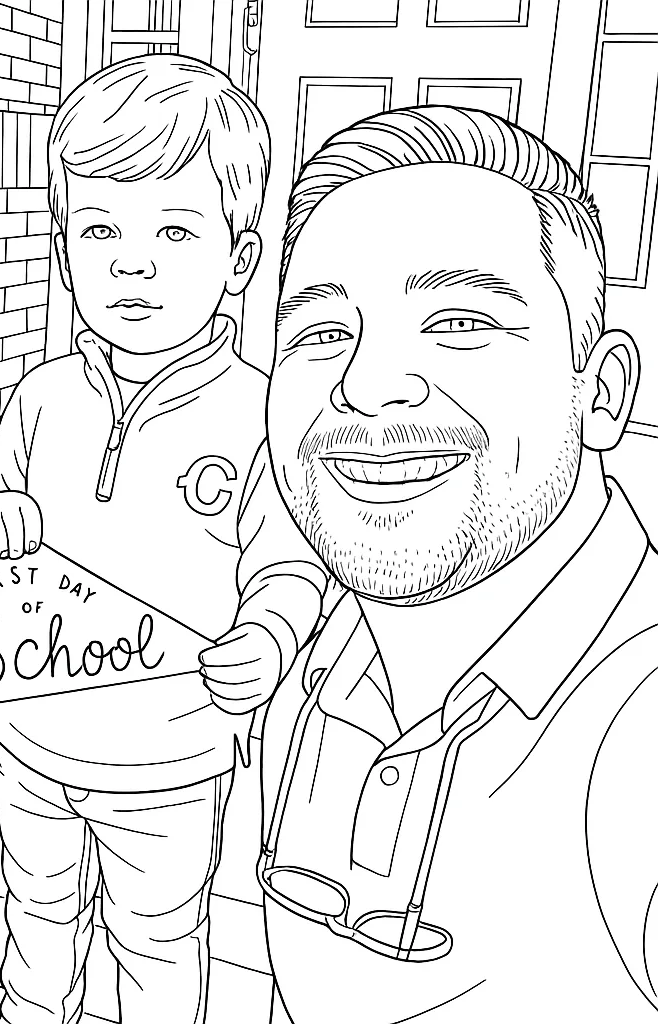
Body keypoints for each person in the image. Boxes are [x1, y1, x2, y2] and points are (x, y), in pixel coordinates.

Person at [259, 105, 658, 1022]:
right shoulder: (324, 665)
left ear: (600, 392)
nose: (366, 385)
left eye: (462, 323)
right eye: (319, 333)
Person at [0, 55, 329, 1023]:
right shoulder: (39, 396)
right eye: (100, 230)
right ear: (64, 248)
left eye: (173, 229)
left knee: (157, 937)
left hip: (170, 755)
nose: (131, 261)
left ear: (239, 261)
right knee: (35, 913)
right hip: (27, 736)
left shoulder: (259, 414)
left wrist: (270, 636)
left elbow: (288, 564)